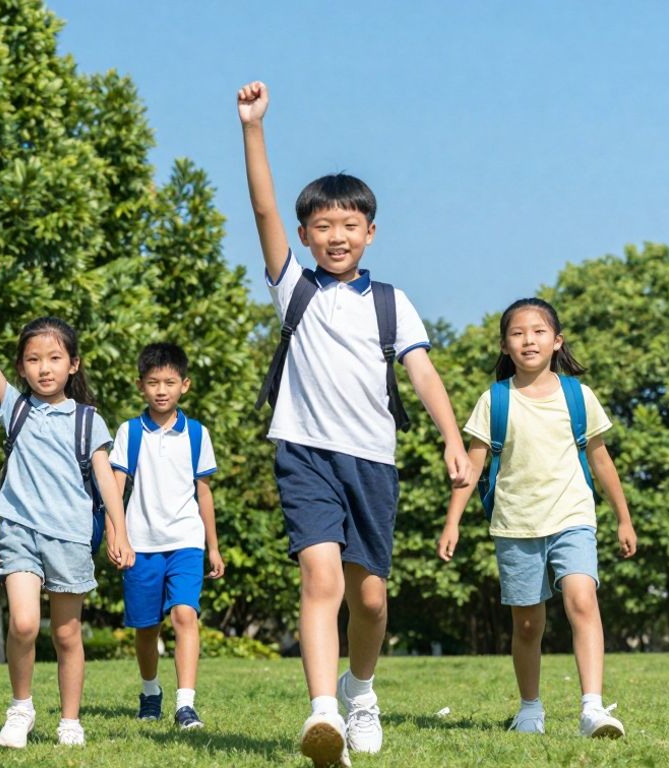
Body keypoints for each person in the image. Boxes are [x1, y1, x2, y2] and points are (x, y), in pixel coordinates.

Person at [237, 80, 472, 767]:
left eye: (349, 225)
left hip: (372, 461)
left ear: (370, 232)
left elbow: (423, 375)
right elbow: (261, 206)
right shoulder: (295, 289)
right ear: (307, 235)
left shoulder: (393, 305)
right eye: (322, 226)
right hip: (305, 453)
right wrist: (254, 128)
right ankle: (323, 716)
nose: (335, 236)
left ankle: (359, 691)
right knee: (321, 581)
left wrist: (453, 439)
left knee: (369, 600)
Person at [439, 297, 636, 739]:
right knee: (528, 624)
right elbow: (472, 467)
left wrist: (623, 518)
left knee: (582, 599)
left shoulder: (578, 396)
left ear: (557, 341)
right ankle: (530, 708)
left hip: (573, 516)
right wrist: (452, 521)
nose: (529, 339)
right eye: (517, 333)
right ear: (505, 346)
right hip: (516, 524)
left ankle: (593, 709)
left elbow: (601, 460)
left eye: (539, 331)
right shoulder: (495, 400)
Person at [0, 254, 135, 748]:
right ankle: (20, 708)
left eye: (55, 358)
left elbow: (107, 482)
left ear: (73, 364)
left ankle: (69, 720)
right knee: (22, 623)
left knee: (66, 636)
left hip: (68, 536)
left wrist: (118, 529)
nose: (44, 368)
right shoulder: (14, 408)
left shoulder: (89, 420)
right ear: (22, 366)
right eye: (34, 359)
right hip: (18, 528)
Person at [110, 342, 224, 730]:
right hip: (140, 543)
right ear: (141, 385)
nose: (162, 390)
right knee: (146, 628)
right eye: (153, 382)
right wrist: (116, 534)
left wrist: (213, 546)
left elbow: (203, 491)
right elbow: (116, 486)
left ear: (184, 385)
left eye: (170, 382)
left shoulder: (196, 434)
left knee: (184, 614)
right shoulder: (129, 432)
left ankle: (185, 704)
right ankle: (150, 691)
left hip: (186, 541)